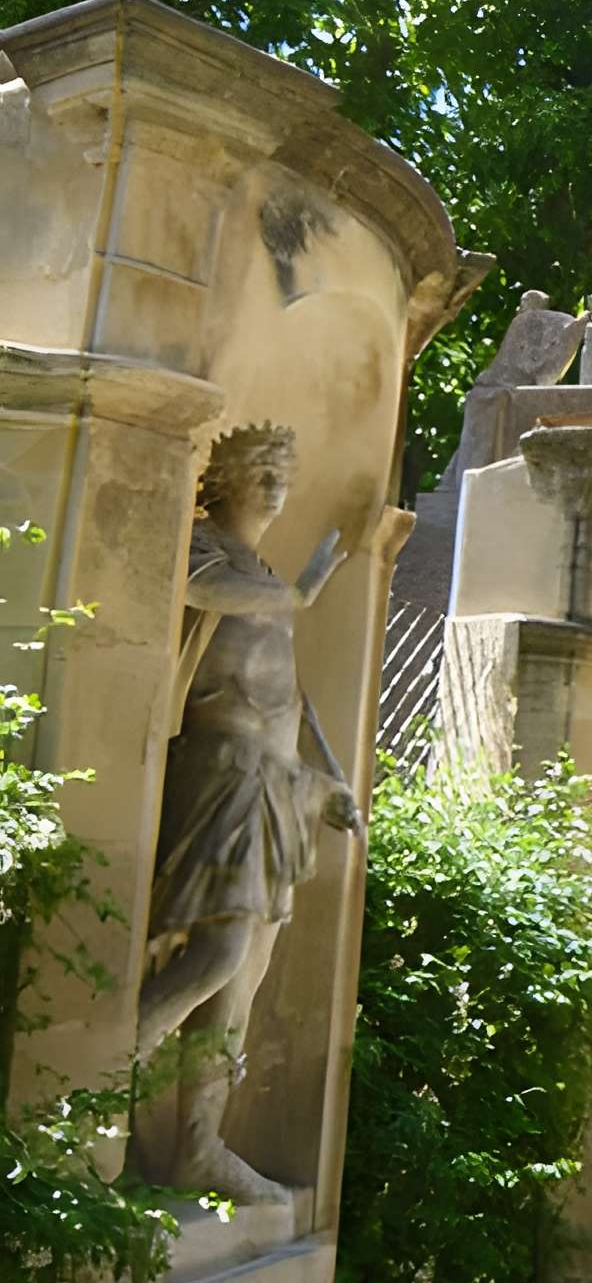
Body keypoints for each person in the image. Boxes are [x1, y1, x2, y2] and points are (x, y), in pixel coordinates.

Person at [136, 423, 362, 1202]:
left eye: (284, 472)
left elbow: (285, 700)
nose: (274, 484)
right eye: (261, 468)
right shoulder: (204, 544)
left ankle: (199, 1147)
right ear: (224, 476)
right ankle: (98, 1076)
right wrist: (295, 594)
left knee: (247, 976)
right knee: (220, 954)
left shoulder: (263, 569)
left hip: (273, 782)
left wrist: (323, 786)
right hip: (220, 769)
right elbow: (190, 587)